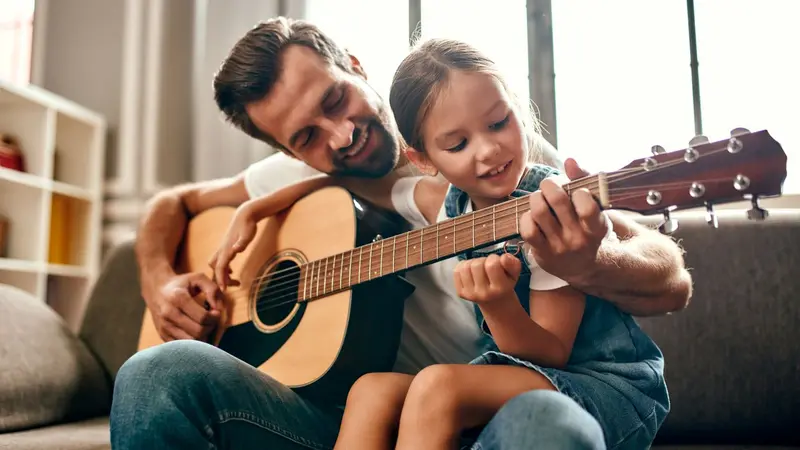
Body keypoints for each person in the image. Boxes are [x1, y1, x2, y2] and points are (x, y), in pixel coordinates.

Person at [110, 17, 692, 450]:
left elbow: (668, 277)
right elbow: (174, 204)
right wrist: (164, 283)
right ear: (288, 153)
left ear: (356, 67)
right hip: (344, 418)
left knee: (544, 425)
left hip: (490, 403)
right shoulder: (299, 178)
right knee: (152, 372)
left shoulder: (501, 160)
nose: (339, 137)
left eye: (336, 100)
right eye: (307, 138)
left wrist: (590, 264)